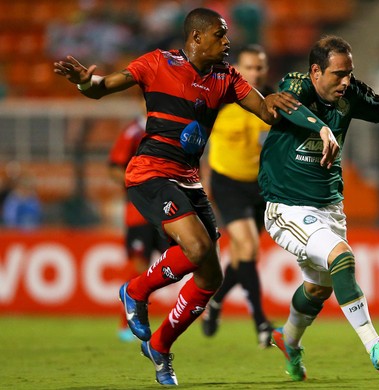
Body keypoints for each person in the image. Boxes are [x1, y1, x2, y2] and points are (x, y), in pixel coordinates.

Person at [53, 8, 339, 386]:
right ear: (196, 38)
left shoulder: (226, 78)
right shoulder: (156, 64)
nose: (227, 42)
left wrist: (295, 105)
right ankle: (136, 291)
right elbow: (100, 88)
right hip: (150, 172)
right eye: (220, 36)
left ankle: (160, 345)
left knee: (210, 276)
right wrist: (83, 83)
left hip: (188, 180)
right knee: (198, 248)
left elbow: (267, 112)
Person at [258, 35, 379, 381]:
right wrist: (322, 128)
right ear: (315, 71)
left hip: (329, 207)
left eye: (349, 73)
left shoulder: (350, 93)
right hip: (288, 207)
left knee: (318, 289)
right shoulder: (296, 85)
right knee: (342, 257)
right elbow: (288, 105)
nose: (346, 81)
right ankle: (375, 345)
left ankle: (288, 341)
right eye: (338, 74)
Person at [200, 44, 273, 348]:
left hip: (261, 187)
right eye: (249, 67)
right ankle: (261, 322)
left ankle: (215, 302)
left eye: (259, 67)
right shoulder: (218, 98)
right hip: (226, 182)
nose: (254, 73)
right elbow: (199, 143)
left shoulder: (273, 102)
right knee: (249, 247)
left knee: (244, 254)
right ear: (237, 69)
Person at [108, 114, 169, 342]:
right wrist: (138, 184)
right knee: (139, 266)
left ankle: (194, 310)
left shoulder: (171, 126)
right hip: (138, 212)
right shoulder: (133, 131)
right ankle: (127, 323)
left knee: (182, 255)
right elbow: (114, 167)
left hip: (166, 209)